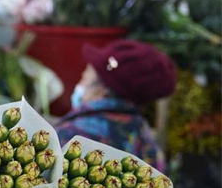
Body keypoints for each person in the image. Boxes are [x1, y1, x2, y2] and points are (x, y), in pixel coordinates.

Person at [57, 39, 176, 171]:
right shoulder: (147, 142)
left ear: (102, 89)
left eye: (86, 76)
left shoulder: (71, 135)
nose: (82, 79)